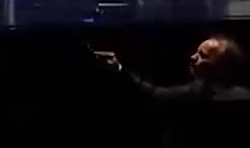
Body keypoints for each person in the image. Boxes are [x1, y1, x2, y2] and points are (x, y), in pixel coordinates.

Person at [96, 37, 249, 101]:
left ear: (221, 67)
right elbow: (153, 93)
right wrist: (119, 69)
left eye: (203, 56)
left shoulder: (240, 100)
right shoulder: (199, 90)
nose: (193, 57)